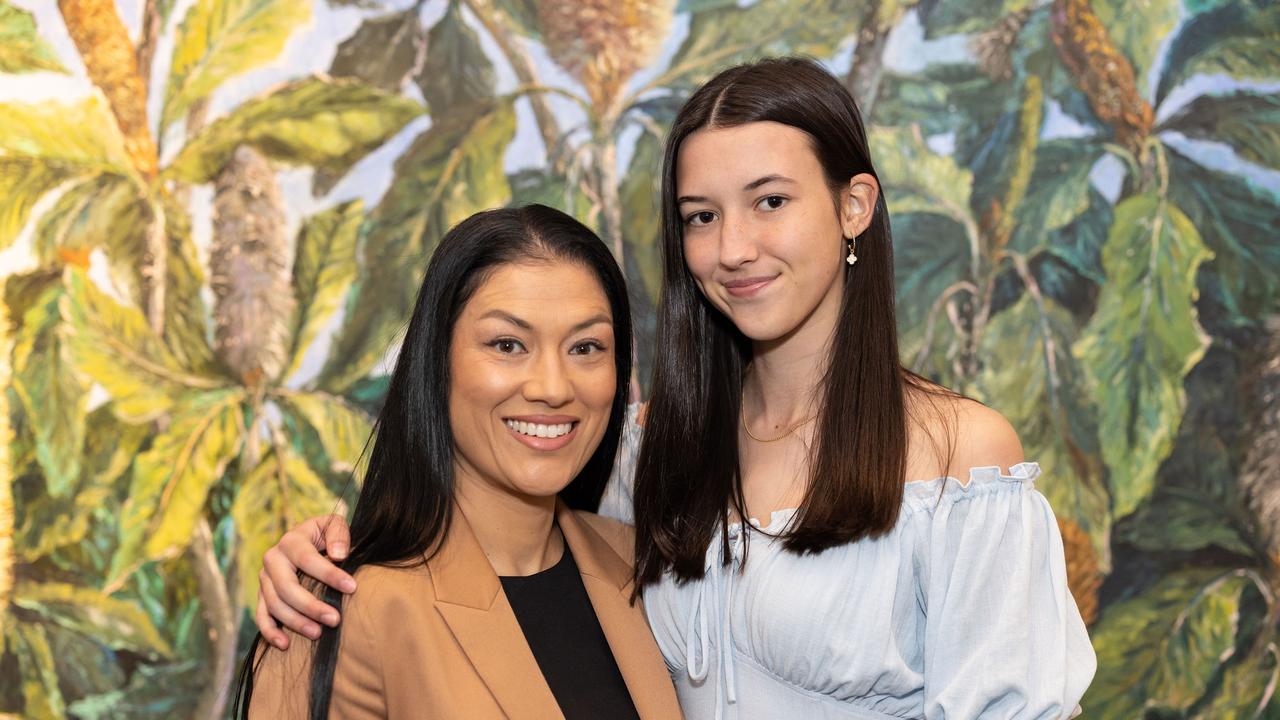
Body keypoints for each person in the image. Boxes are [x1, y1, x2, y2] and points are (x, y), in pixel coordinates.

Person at [253, 57, 1096, 719]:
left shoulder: (959, 461)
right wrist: (318, 549)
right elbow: (477, 519)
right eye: (701, 215)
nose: (733, 247)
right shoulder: (640, 451)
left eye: (769, 201)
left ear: (854, 205)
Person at [235, 205, 682, 719]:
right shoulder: (336, 605)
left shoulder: (647, 569)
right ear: (437, 361)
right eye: (508, 344)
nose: (553, 388)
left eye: (586, 347)